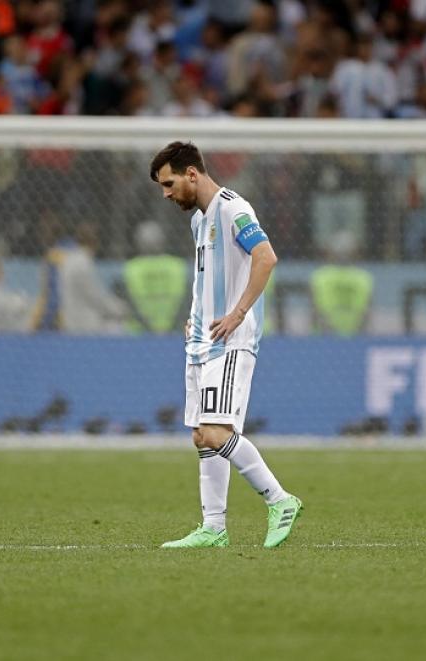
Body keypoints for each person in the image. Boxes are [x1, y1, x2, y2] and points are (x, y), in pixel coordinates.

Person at [150, 141, 301, 550]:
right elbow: (209, 276)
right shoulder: (199, 221)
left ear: (191, 174)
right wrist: (195, 316)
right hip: (202, 340)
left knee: (218, 432)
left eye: (169, 184)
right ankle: (213, 527)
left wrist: (237, 314)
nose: (165, 194)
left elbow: (266, 258)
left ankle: (280, 500)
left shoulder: (234, 208)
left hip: (230, 341)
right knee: (202, 435)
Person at [123, 221, 188, 334]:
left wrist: (149, 326)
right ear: (162, 241)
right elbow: (184, 301)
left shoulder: (132, 267)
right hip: (174, 329)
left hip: (139, 331)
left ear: (139, 242)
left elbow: (130, 302)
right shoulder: (177, 265)